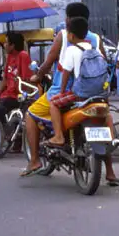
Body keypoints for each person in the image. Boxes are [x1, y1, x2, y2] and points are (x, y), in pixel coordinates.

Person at [22, 2, 119, 186]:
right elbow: (103, 64)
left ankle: (35, 160)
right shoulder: (96, 38)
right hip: (96, 92)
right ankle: (110, 172)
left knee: (30, 114)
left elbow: (49, 62)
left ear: (68, 19)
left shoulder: (64, 36)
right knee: (102, 121)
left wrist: (38, 76)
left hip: (68, 91)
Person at [43, 17, 96, 147]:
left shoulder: (71, 50)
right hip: (97, 92)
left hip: (80, 93)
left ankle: (58, 136)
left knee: (53, 103)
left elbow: (65, 74)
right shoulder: (92, 48)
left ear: (71, 35)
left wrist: (61, 92)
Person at [0, 32, 32, 153]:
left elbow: (26, 80)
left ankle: (11, 136)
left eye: (7, 42)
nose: (4, 44)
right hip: (5, 95)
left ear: (13, 45)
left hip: (16, 96)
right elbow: (5, 79)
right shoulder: (9, 57)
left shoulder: (23, 56)